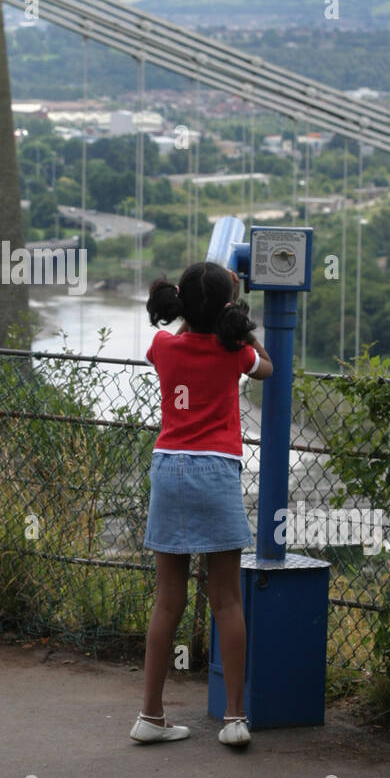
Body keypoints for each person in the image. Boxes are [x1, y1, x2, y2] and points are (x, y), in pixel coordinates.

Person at [131, 261, 272, 749]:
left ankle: (150, 715)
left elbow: (179, 337)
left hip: (168, 468)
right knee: (226, 599)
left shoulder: (162, 347)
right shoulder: (234, 353)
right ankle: (234, 718)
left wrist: (205, 307)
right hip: (215, 471)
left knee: (167, 600)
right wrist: (237, 321)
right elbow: (267, 367)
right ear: (227, 309)